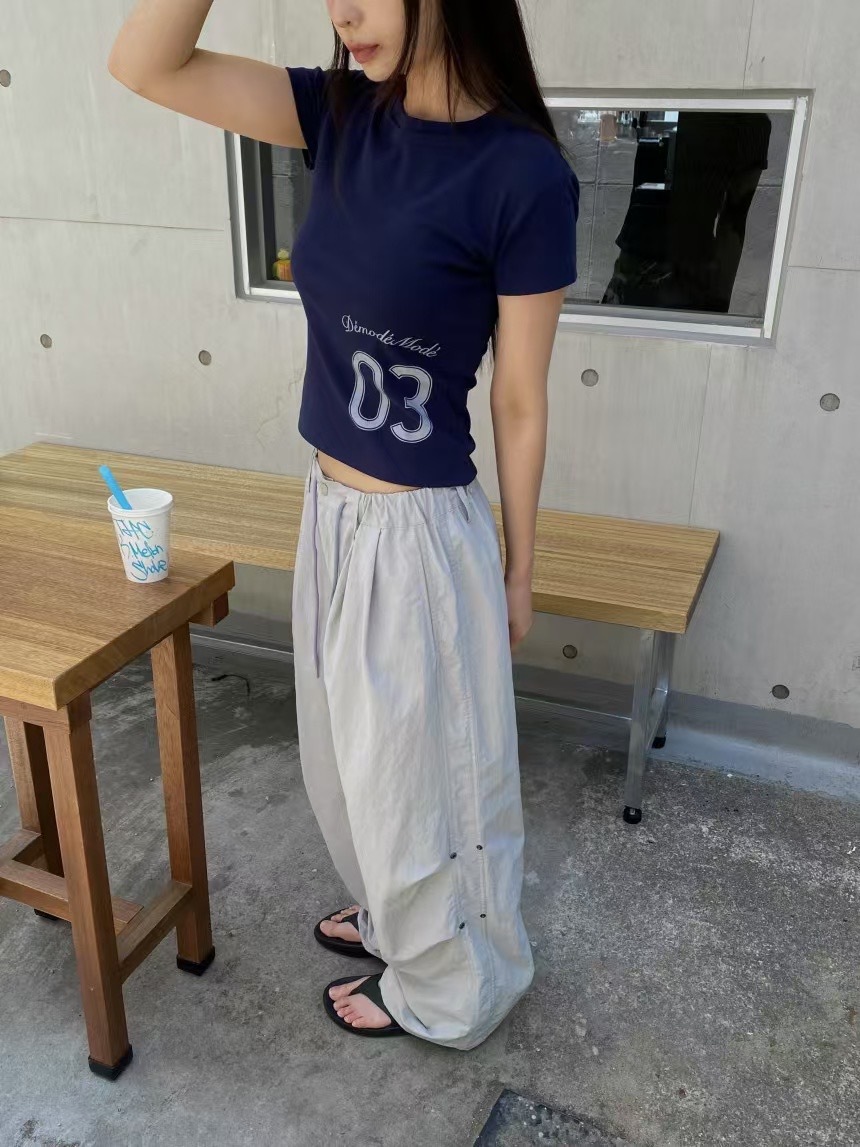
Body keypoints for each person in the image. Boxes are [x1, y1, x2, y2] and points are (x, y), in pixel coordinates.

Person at [108, 0, 579, 1051]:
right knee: (348, 765)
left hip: (418, 532)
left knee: (428, 781)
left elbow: (518, 400)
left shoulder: (522, 175)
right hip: (326, 508)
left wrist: (518, 568)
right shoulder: (341, 112)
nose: (343, 12)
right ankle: (393, 914)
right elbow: (145, 63)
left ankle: (454, 988)